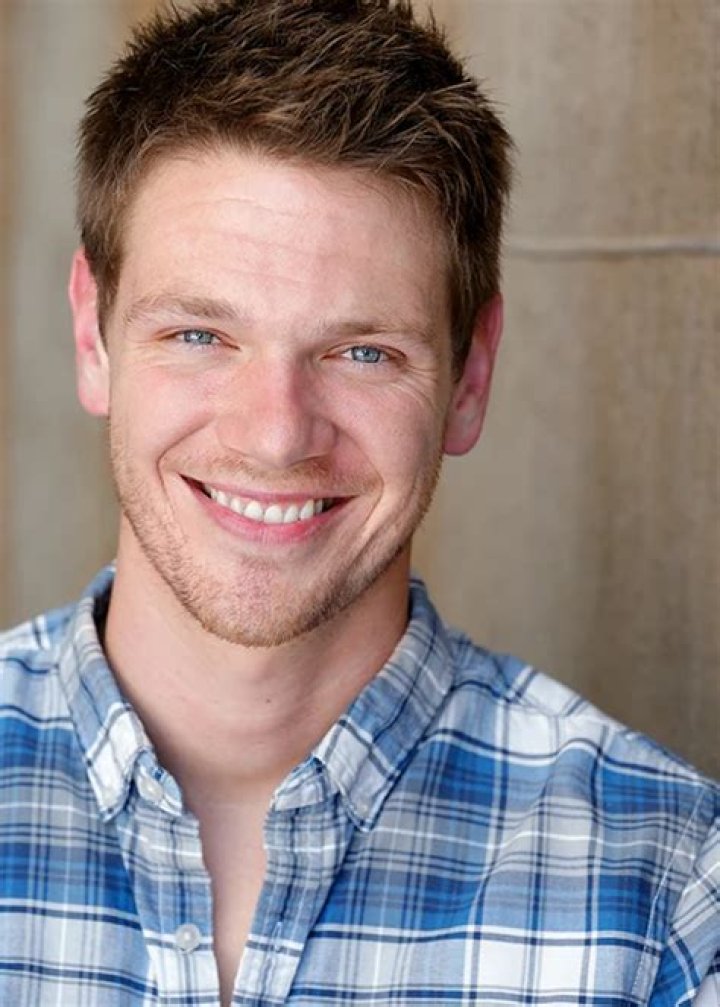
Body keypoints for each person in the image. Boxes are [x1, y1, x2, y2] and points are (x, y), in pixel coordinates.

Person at [0, 0, 717, 1003]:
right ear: (93, 336)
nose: (275, 434)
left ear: (470, 377)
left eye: (363, 352)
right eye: (200, 335)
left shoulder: (669, 889)